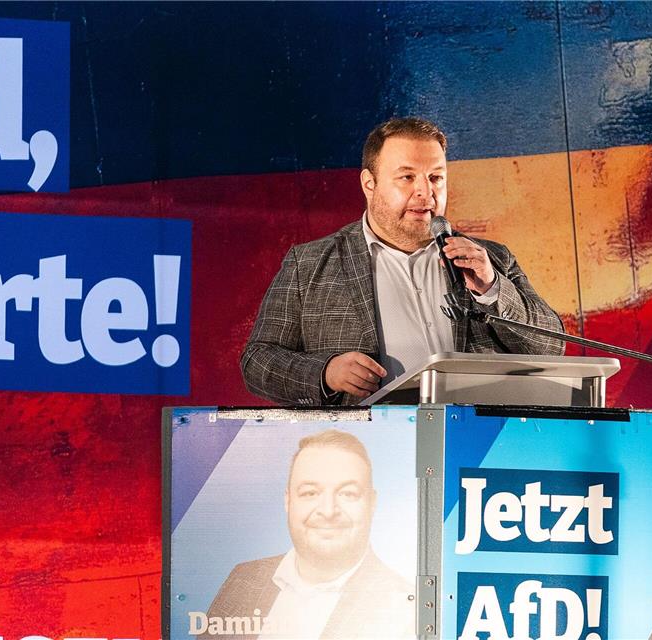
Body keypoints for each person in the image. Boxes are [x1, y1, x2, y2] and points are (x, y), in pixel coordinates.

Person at [241, 117, 564, 406]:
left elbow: (551, 348)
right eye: (407, 177)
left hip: (472, 451)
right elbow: (257, 362)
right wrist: (325, 373)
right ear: (369, 184)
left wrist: (493, 288)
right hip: (368, 451)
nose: (425, 192)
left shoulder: (491, 259)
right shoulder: (309, 264)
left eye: (436, 178)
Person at [205, 429, 413, 639]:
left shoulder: (406, 606)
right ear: (288, 501)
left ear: (372, 502)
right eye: (310, 493)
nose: (328, 511)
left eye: (348, 493)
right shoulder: (244, 578)